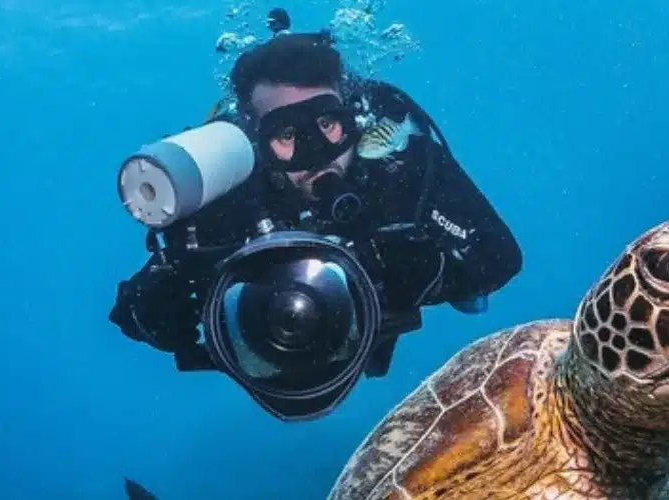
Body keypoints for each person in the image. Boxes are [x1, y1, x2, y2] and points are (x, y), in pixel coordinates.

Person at [108, 29, 521, 422]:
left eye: (327, 124)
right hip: (266, 343)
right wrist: (167, 302)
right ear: (254, 139)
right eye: (286, 133)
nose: (315, 154)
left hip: (377, 328)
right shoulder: (235, 195)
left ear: (351, 116)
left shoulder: (396, 167)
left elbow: (500, 255)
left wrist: (428, 275)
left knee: (473, 301)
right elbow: (133, 314)